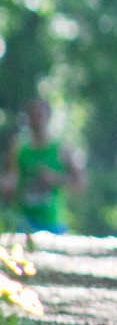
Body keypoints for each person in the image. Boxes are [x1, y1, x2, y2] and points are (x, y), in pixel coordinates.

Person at [3, 98, 86, 234]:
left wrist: (56, 179)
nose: (37, 121)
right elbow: (13, 178)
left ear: (48, 117)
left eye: (40, 115)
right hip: (22, 222)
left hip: (53, 223)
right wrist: (7, 186)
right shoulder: (19, 149)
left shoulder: (62, 149)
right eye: (33, 116)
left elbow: (80, 185)